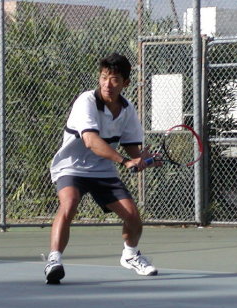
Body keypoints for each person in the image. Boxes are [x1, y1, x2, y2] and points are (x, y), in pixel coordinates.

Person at [44, 53, 161, 284]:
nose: (108, 84)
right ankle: (54, 260)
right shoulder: (86, 101)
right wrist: (125, 162)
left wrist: (144, 160)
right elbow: (91, 142)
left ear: (125, 83)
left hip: (103, 171)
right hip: (72, 167)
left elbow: (131, 148)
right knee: (69, 203)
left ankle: (130, 255)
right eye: (104, 77)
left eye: (115, 79)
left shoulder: (127, 110)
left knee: (133, 217)